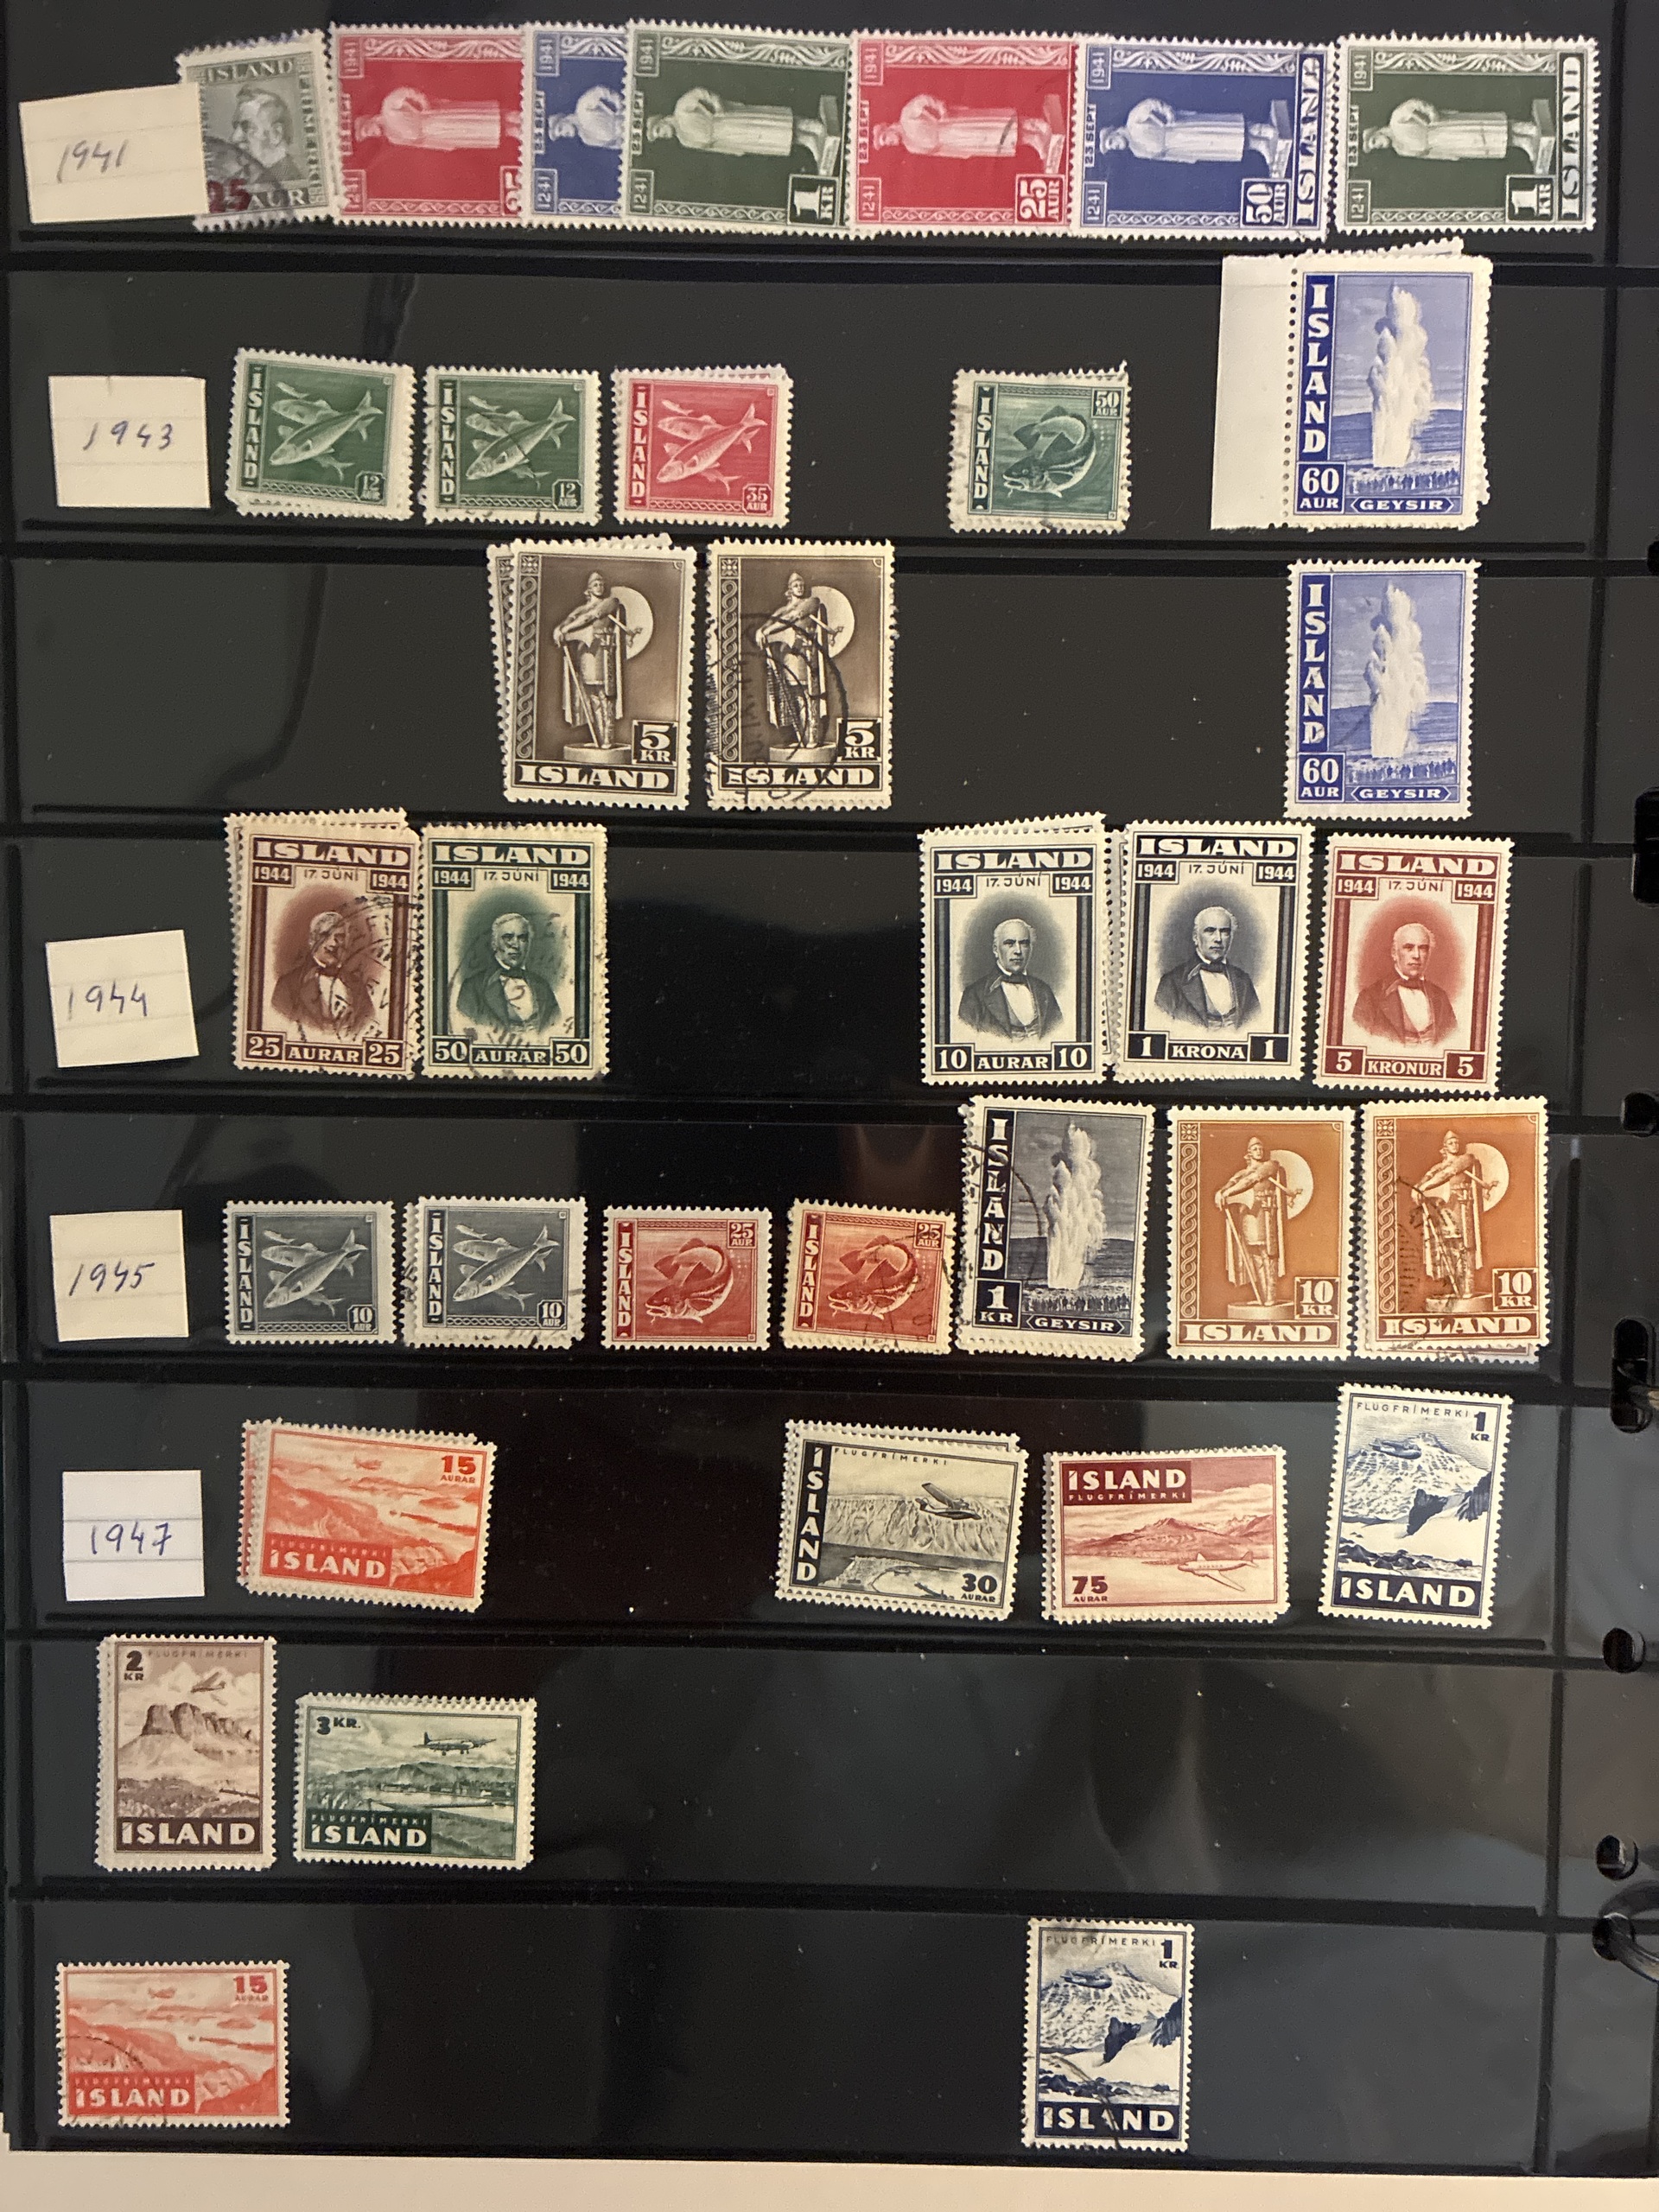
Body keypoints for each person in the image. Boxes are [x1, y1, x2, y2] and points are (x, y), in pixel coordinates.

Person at [754, 571, 844, 756]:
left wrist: (768, 630)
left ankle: (812, 736)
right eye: (796, 585)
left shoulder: (812, 602)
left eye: (802, 584)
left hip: (806, 654)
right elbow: (772, 621)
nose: (800, 587)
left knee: (809, 694)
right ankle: (800, 736)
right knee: (794, 695)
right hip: (788, 656)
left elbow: (794, 617)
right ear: (789, 589)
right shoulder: (783, 609)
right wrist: (760, 631)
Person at [645, 88, 837, 173]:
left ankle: (811, 126)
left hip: (728, 119)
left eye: (659, 130)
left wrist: (717, 104)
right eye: (659, 136)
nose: (663, 135)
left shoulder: (681, 109)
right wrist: (734, 149)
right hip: (731, 139)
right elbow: (711, 147)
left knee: (770, 123)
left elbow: (700, 93)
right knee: (771, 139)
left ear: (662, 120)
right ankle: (807, 141)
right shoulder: (683, 140)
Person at [875, 92, 1065, 174]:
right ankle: (1032, 140)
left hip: (953, 124)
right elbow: (937, 150)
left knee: (993, 125)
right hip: (956, 142)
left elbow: (923, 100)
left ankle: (1033, 125)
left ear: (888, 128)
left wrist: (939, 106)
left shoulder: (906, 117)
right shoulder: (909, 146)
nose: (888, 142)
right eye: (885, 145)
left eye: (885, 138)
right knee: (994, 141)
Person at [551, 571, 638, 751]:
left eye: (601, 584)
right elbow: (570, 619)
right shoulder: (580, 609)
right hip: (586, 652)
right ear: (588, 589)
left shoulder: (611, 602)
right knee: (591, 694)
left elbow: (590, 617)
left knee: (606, 694)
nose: (599, 587)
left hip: (603, 651)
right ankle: (598, 737)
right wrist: (558, 630)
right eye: (595, 584)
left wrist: (565, 629)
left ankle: (608, 737)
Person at [1097, 96, 1288, 177]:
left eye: (1111, 141)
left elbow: (1151, 104)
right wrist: (1184, 157)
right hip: (1183, 147)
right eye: (1112, 148)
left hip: (1180, 128)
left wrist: (1167, 112)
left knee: (1221, 129)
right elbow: (1163, 156)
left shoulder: (1133, 121)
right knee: (1223, 145)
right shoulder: (1136, 151)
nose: (1115, 146)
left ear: (1115, 132)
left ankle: (1260, 129)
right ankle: (1259, 146)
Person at [454, 912, 565, 1040]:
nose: (516, 945)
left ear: (528, 944)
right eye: (508, 937)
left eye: (522, 938)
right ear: (494, 944)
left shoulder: (543, 987)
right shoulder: (473, 988)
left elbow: (558, 1028)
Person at [1408, 1129, 1491, 1302]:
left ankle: (1468, 1286)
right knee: (1446, 1246)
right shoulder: (1437, 1167)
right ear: (1444, 1146)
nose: (1455, 1145)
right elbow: (1428, 1178)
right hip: (1443, 1208)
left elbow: (1447, 1174)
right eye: (1451, 1142)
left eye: (1456, 1142)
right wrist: (1417, 1188)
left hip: (1462, 1206)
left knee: (1465, 1244)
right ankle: (1453, 1286)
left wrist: (1423, 1187)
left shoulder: (1466, 1159)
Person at [1213, 1135, 1293, 1311]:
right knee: (1255, 1253)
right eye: (1255, 1149)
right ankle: (1263, 1297)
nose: (1259, 1151)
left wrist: (1227, 1192)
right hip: (1248, 1215)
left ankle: (1271, 1296)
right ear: (1249, 1152)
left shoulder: (1270, 1165)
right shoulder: (1241, 1173)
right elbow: (1233, 1182)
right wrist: (1221, 1192)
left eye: (1261, 1148)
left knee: (1268, 1252)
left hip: (1265, 1213)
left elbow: (1251, 1180)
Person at [1362, 98, 1548, 170]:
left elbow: (1415, 105)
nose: (1379, 146)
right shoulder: (1399, 149)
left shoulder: (1396, 120)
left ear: (1378, 132)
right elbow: (1427, 155)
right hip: (1445, 145)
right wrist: (1448, 156)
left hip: (1442, 127)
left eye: (1375, 142)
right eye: (1375, 147)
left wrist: (1432, 113)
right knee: (1483, 143)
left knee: (1482, 127)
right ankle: (1522, 143)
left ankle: (1524, 128)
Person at [1154, 906, 1262, 1032]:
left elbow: (1258, 1025)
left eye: (1224, 932)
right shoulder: (1172, 982)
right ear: (1196, 937)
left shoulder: (1244, 981)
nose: (1218, 939)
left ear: (1231, 938)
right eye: (1210, 931)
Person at [271, 909, 374, 1040]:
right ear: (312, 940)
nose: (333, 943)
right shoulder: (288, 985)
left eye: (340, 937)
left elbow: (369, 1024)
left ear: (347, 942)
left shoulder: (358, 986)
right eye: (325, 935)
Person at [1352, 922, 1459, 1046]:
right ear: (1394, 953)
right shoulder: (1369, 998)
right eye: (1409, 948)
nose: (1416, 955)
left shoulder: (1440, 997)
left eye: (1423, 948)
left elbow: (1454, 1041)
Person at [957, 918, 1064, 1041]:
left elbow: (1060, 1034)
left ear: (1030, 949)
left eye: (1024, 943)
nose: (1018, 951)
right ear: (996, 950)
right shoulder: (974, 995)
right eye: (1010, 943)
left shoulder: (1044, 991)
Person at [355, 88, 520, 149]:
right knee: (476, 132)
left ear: (371, 120)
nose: (371, 133)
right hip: (438, 134)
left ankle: (513, 117)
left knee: (473, 118)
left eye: (367, 129)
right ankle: (512, 131)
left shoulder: (388, 106)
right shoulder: (392, 137)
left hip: (435, 117)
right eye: (368, 135)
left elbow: (409, 93)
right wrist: (443, 144)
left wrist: (424, 104)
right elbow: (419, 143)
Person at [547, 83, 624, 150]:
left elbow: (601, 91)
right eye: (561, 136)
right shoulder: (586, 139)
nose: (563, 134)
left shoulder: (582, 108)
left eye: (560, 129)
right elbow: (614, 145)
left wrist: (619, 105)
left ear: (565, 119)